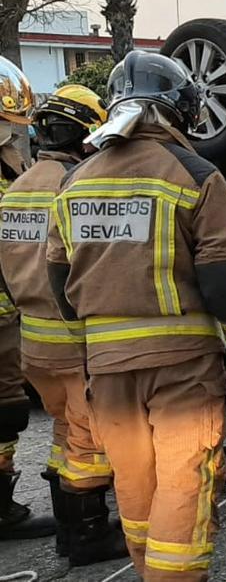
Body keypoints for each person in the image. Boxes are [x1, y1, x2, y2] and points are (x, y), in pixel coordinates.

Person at [45, 51, 226, 580]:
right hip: (180, 367)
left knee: (135, 480)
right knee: (183, 479)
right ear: (179, 110)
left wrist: (94, 339)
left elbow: (60, 281)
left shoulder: (75, 180)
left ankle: (151, 571)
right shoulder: (196, 174)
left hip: (106, 367)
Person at [0, 84, 128, 564]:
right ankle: (88, 536)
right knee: (88, 439)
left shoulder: (16, 188)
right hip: (74, 340)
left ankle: (69, 530)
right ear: (88, 132)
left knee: (63, 433)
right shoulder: (77, 186)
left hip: (32, 341)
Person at [0, 55, 53, 543]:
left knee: (7, 412)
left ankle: (2, 507)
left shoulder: (11, 163)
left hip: (10, 313)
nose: (9, 135)